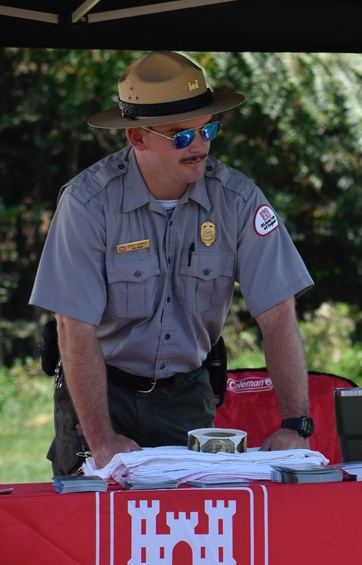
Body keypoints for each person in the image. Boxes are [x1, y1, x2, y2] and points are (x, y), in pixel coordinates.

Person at [30, 51, 315, 476]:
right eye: (181, 136)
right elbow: (73, 327)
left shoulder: (237, 199)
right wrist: (102, 439)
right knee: (90, 533)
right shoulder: (88, 202)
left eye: (208, 130)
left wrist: (296, 423)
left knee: (193, 532)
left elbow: (277, 313)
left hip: (187, 394)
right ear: (137, 138)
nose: (200, 146)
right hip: (100, 392)